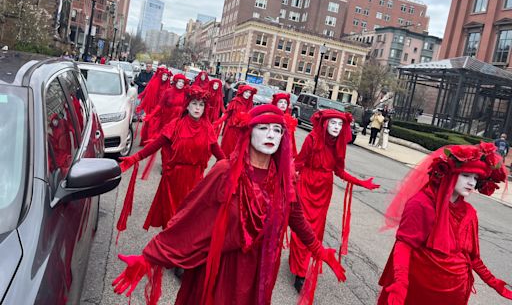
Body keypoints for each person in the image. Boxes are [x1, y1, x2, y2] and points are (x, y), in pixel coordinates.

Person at [112, 104, 346, 305]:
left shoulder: (283, 179)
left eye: (277, 130)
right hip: (222, 270)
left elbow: (296, 217)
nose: (271, 135)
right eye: (263, 128)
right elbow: (190, 218)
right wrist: (149, 258)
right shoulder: (226, 172)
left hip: (260, 271)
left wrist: (319, 250)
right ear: (249, 132)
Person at [378, 143, 511, 305]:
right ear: (450, 174)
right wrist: (400, 284)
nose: (471, 183)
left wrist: (495, 283)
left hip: (454, 296)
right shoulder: (421, 204)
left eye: (475, 178)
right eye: (466, 176)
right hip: (418, 291)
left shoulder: (469, 213)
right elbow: (404, 246)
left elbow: (473, 257)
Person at [289, 109, 380, 292]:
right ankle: (299, 273)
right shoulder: (312, 139)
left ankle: (304, 267)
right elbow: (298, 163)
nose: (337, 127)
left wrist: (360, 182)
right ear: (325, 124)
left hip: (324, 190)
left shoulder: (339, 145)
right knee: (303, 227)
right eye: (333, 123)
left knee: (315, 230)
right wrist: (286, 177)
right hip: (306, 185)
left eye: (340, 124)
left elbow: (339, 171)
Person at [117, 86, 225, 234]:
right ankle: (166, 249)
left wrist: (234, 167)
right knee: (171, 220)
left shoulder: (208, 128)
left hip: (195, 180)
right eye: (194, 103)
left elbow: (218, 153)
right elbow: (155, 145)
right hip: (173, 179)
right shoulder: (175, 125)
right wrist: (135, 157)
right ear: (187, 105)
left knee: (188, 220)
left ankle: (179, 250)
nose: (197, 108)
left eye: (201, 105)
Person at [145, 74, 188, 143]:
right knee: (161, 139)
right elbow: (160, 105)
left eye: (183, 82)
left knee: (173, 141)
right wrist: (151, 115)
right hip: (166, 118)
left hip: (177, 120)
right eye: (179, 81)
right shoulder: (168, 91)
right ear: (175, 81)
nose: (181, 84)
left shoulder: (186, 93)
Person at [217, 84, 257, 155]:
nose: (248, 94)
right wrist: (218, 122)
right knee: (227, 148)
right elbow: (227, 114)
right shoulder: (235, 101)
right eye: (246, 92)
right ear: (242, 92)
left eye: (249, 93)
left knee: (237, 151)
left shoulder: (250, 104)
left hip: (241, 131)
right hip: (231, 129)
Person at [137, 67, 172, 145]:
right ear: (161, 75)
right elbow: (148, 95)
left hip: (160, 109)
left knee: (155, 126)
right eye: (164, 75)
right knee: (149, 124)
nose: (165, 76)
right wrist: (143, 106)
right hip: (152, 108)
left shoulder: (168, 86)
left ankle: (151, 141)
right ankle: (146, 140)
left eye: (167, 75)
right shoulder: (154, 83)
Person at [271, 92, 298, 157]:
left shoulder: (289, 119)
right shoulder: (270, 116)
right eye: (280, 102)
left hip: (284, 150)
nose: (283, 104)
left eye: (285, 102)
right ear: (275, 103)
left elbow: (291, 139)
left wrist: (291, 152)